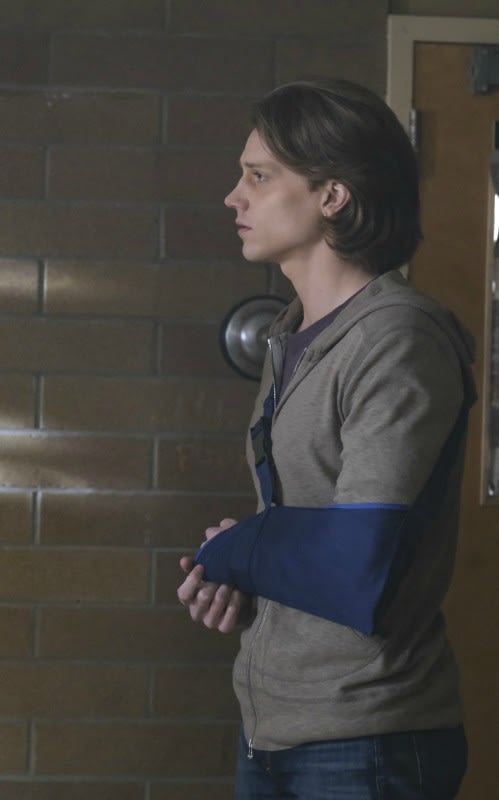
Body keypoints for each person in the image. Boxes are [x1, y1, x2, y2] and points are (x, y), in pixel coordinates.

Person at [177, 79, 476, 799]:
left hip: (368, 737)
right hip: (272, 725)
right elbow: (304, 530)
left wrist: (240, 551)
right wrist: (241, 575)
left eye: (258, 176)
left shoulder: (396, 338)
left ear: (332, 195)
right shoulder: (291, 336)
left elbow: (354, 562)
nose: (233, 197)